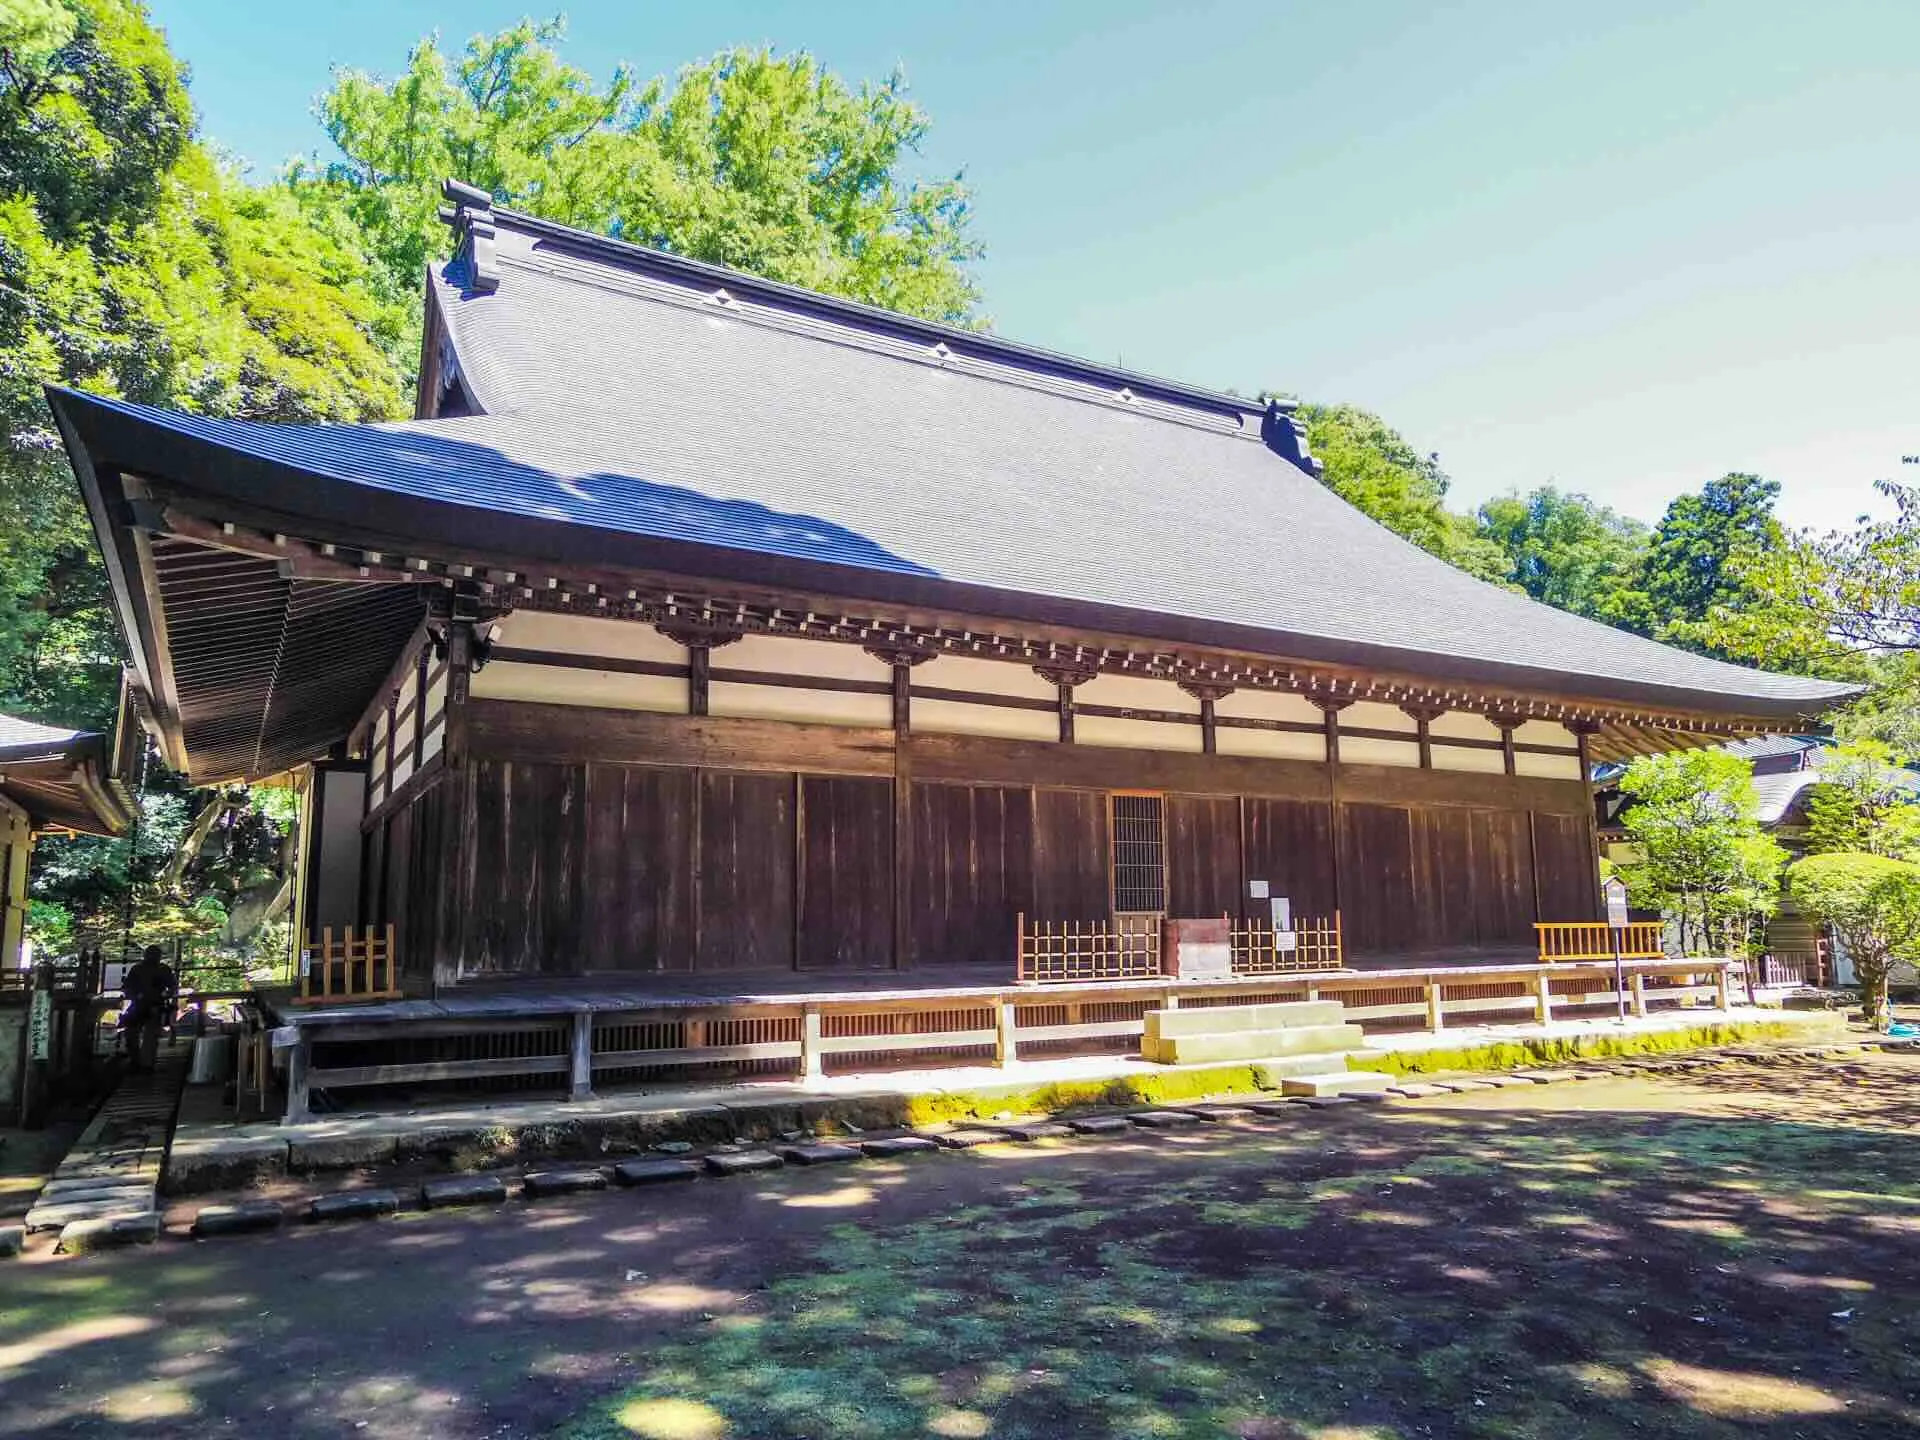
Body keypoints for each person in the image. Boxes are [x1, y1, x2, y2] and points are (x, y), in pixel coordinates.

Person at [122, 944, 177, 1072]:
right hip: (140, 1005)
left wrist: (164, 995)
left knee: (149, 1036)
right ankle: (139, 1061)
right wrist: (137, 996)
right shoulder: (139, 969)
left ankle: (144, 1063)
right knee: (135, 1034)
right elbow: (128, 988)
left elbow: (172, 987)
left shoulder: (162, 970)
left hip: (153, 1005)